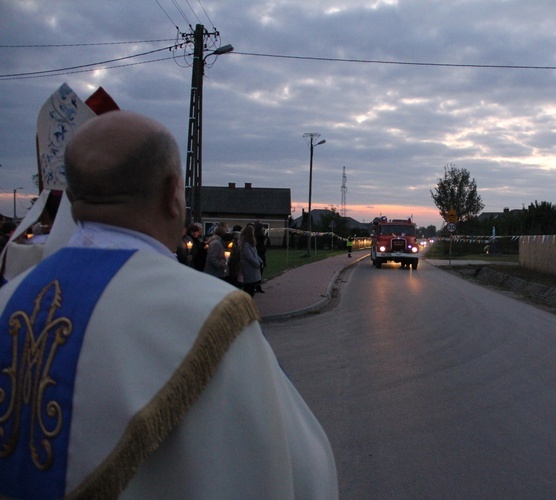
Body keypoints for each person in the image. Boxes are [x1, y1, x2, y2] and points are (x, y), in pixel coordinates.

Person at [0, 110, 337, 498]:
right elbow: (306, 471)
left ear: (73, 199)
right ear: (172, 193)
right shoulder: (215, 317)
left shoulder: (10, 299)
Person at [240, 223, 263, 297]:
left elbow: (255, 254)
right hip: (249, 269)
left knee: (252, 289)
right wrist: (257, 264)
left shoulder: (251, 243)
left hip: (253, 269)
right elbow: (249, 257)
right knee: (248, 290)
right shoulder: (245, 244)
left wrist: (260, 261)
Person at [253, 221, 267, 293]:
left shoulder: (255, 234)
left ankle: (257, 286)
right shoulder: (259, 234)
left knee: (259, 270)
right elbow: (263, 239)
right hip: (260, 252)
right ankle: (257, 286)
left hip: (259, 252)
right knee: (259, 270)